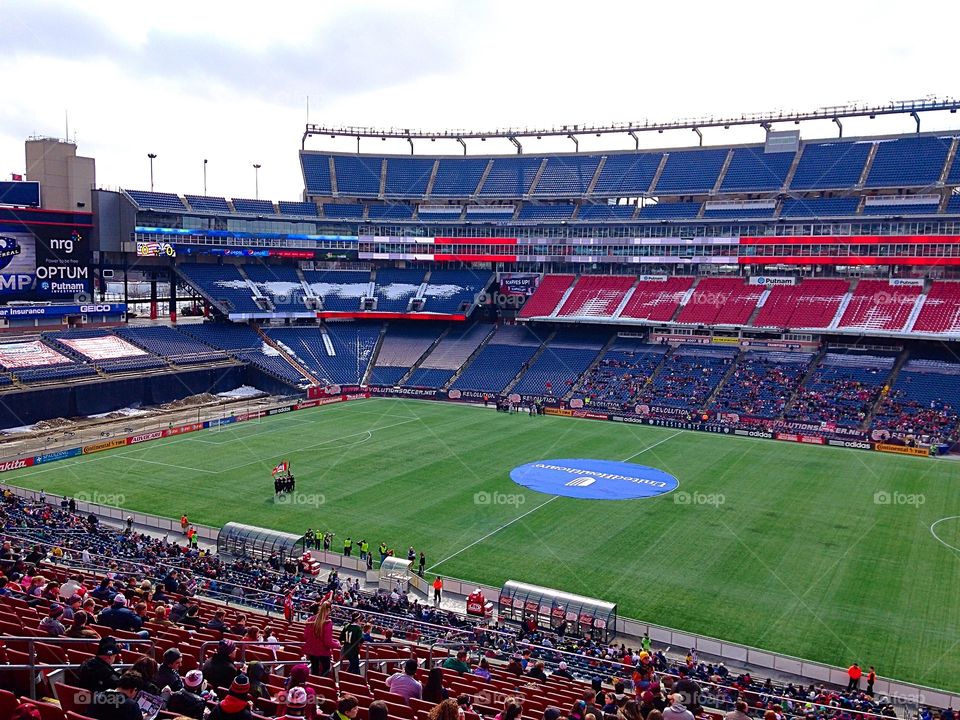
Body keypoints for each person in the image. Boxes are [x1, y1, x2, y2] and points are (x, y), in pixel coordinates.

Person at [304, 601, 339, 676]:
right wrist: (337, 644)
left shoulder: (310, 619)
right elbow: (327, 642)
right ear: (328, 610)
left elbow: (306, 636)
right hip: (323, 652)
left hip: (312, 651)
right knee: (325, 671)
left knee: (314, 670)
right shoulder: (328, 622)